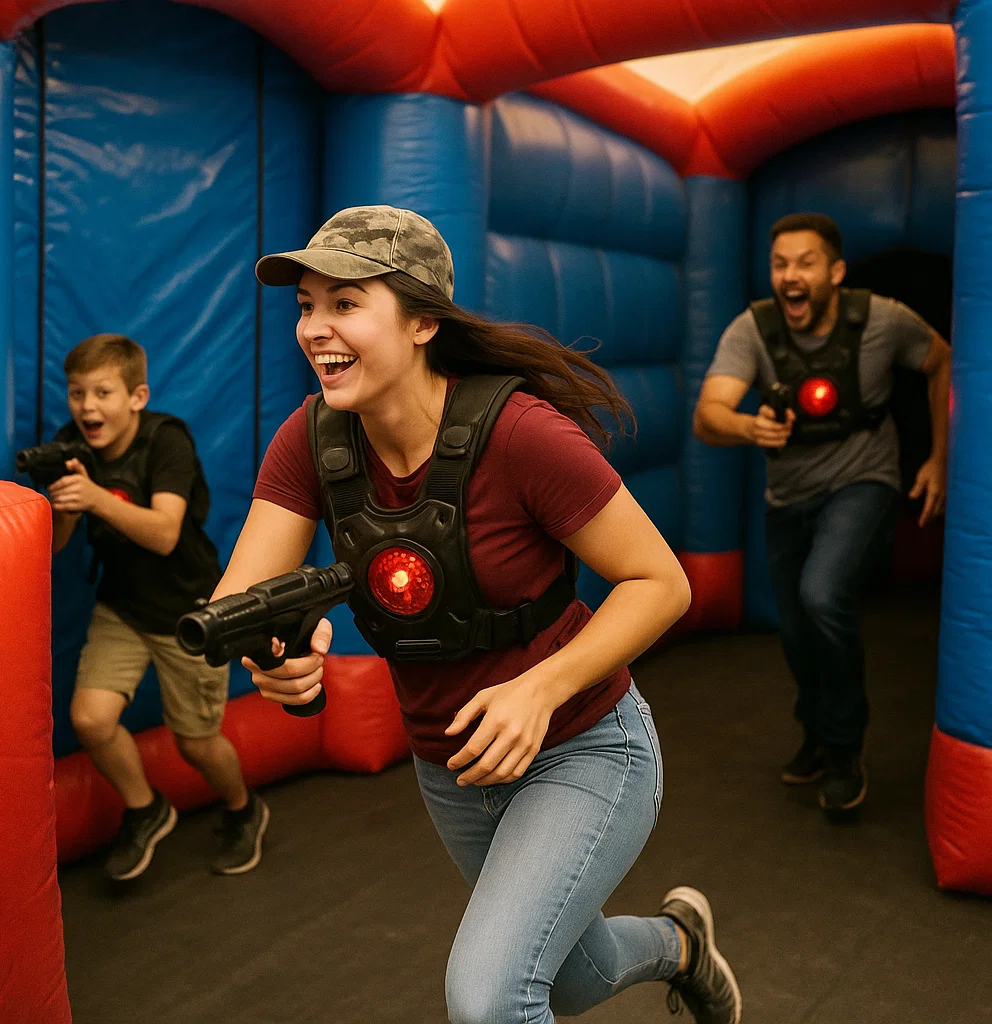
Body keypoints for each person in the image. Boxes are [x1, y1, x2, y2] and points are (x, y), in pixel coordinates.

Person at [212, 205, 742, 1023]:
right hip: (453, 766)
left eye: (345, 302)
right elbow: (239, 601)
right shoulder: (313, 439)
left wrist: (540, 688)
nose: (315, 328)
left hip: (585, 745)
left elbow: (661, 583)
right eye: (306, 305)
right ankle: (681, 947)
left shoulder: (521, 434)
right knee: (571, 978)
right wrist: (276, 652)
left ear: (422, 322)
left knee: (490, 998)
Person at [693, 212, 951, 814]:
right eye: (780, 264)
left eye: (805, 263)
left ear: (835, 272)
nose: (790, 276)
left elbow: (940, 360)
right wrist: (748, 426)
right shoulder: (754, 329)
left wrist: (940, 459)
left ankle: (842, 748)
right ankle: (815, 727)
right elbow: (708, 414)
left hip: (865, 480)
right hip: (788, 497)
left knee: (821, 593)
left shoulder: (882, 319)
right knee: (796, 628)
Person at [47, 333, 268, 879]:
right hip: (121, 606)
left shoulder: (166, 441)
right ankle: (145, 809)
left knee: (196, 742)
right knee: (90, 719)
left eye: (102, 393)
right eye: (77, 393)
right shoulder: (71, 445)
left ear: (137, 397)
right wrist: (66, 505)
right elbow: (55, 545)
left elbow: (166, 534)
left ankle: (244, 809)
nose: (87, 407)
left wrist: (95, 497)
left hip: (188, 612)